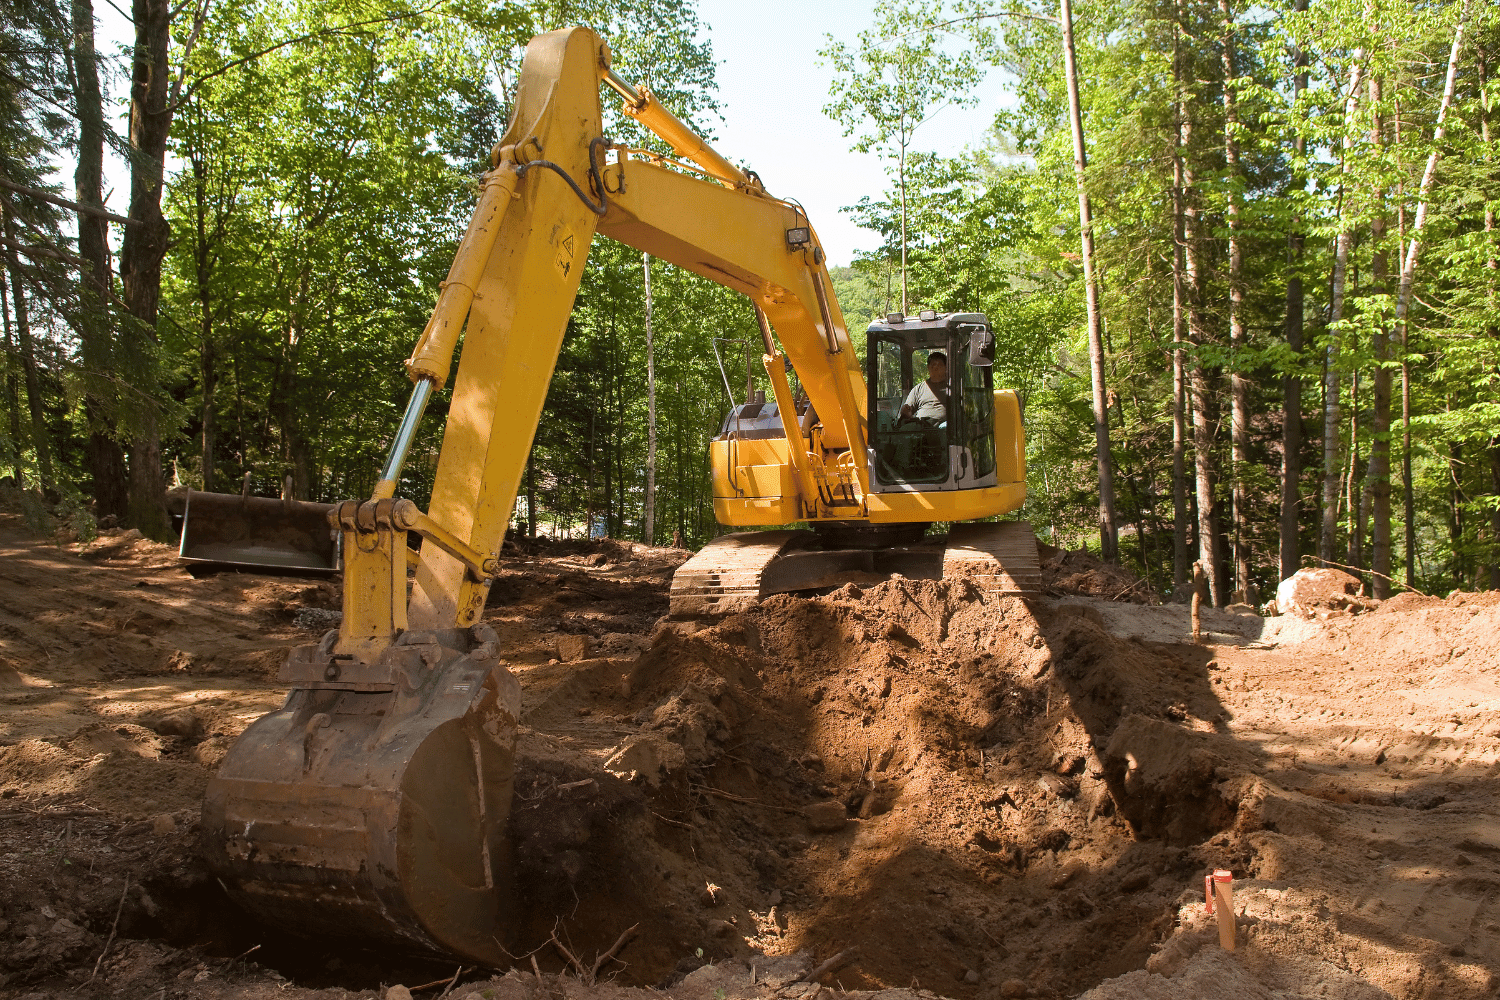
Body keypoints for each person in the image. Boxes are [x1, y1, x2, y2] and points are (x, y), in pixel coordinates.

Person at [899, 352, 949, 425]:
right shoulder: (918, 389)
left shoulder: (952, 387)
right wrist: (905, 411)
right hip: (921, 426)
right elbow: (908, 411)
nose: (935, 368)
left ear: (946, 368)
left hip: (944, 427)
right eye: (933, 365)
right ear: (928, 367)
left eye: (939, 365)